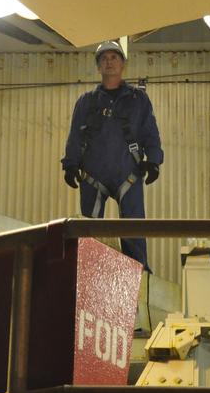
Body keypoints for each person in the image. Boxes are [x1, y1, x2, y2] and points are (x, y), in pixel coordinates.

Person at [61, 40, 163, 270]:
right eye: (104, 59)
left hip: (128, 173)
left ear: (123, 64)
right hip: (92, 175)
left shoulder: (138, 101)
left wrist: (154, 161)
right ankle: (88, 274)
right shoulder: (86, 102)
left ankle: (139, 276)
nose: (109, 62)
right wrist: (70, 164)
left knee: (133, 231)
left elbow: (150, 132)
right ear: (98, 66)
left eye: (114, 57)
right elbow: (75, 135)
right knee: (88, 234)